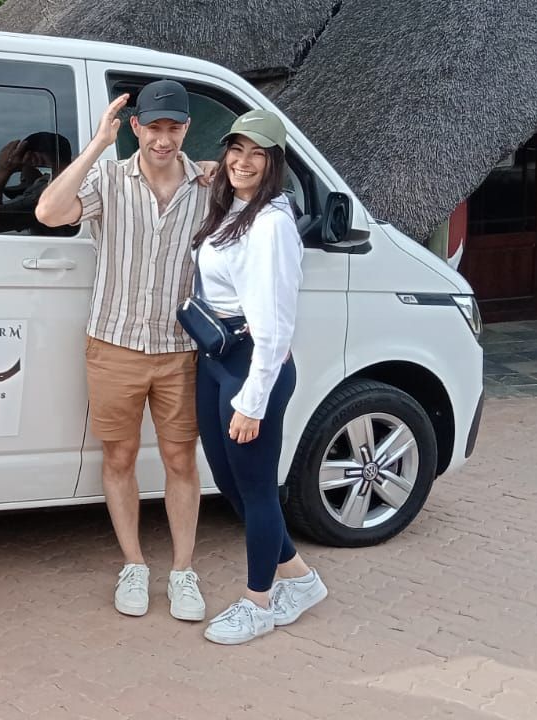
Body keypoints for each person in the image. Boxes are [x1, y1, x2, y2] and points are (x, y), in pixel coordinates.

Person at [34, 80, 214, 622]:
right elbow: (48, 211)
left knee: (182, 459)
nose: (163, 139)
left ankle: (183, 570)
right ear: (136, 128)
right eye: (153, 127)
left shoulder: (208, 186)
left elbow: (262, 181)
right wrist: (96, 144)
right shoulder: (109, 179)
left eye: (173, 128)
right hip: (113, 345)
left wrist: (216, 164)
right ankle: (133, 564)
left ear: (186, 128)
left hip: (180, 348)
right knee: (120, 456)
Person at [188, 109, 328, 645]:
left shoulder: (270, 225)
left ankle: (258, 602)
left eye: (257, 153)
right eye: (236, 150)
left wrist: (253, 399)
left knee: (257, 489)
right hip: (218, 359)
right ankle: (299, 578)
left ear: (275, 163)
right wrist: (208, 171)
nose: (243, 162)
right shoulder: (234, 208)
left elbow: (274, 325)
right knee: (228, 481)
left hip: (252, 367)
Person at [0, 131, 78, 236]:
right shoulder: (77, 182)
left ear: (34, 158)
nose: (22, 177)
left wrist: (3, 170)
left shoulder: (47, 193)